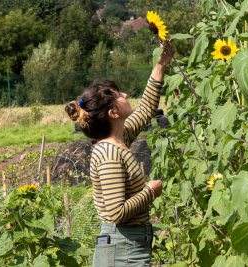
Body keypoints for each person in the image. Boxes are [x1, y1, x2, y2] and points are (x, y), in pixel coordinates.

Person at [65, 40, 175, 266]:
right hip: (122, 249)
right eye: (118, 95)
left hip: (128, 245)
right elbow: (116, 212)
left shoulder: (119, 138)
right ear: (113, 112)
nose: (125, 94)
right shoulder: (109, 154)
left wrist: (161, 65)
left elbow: (145, 110)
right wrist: (151, 191)